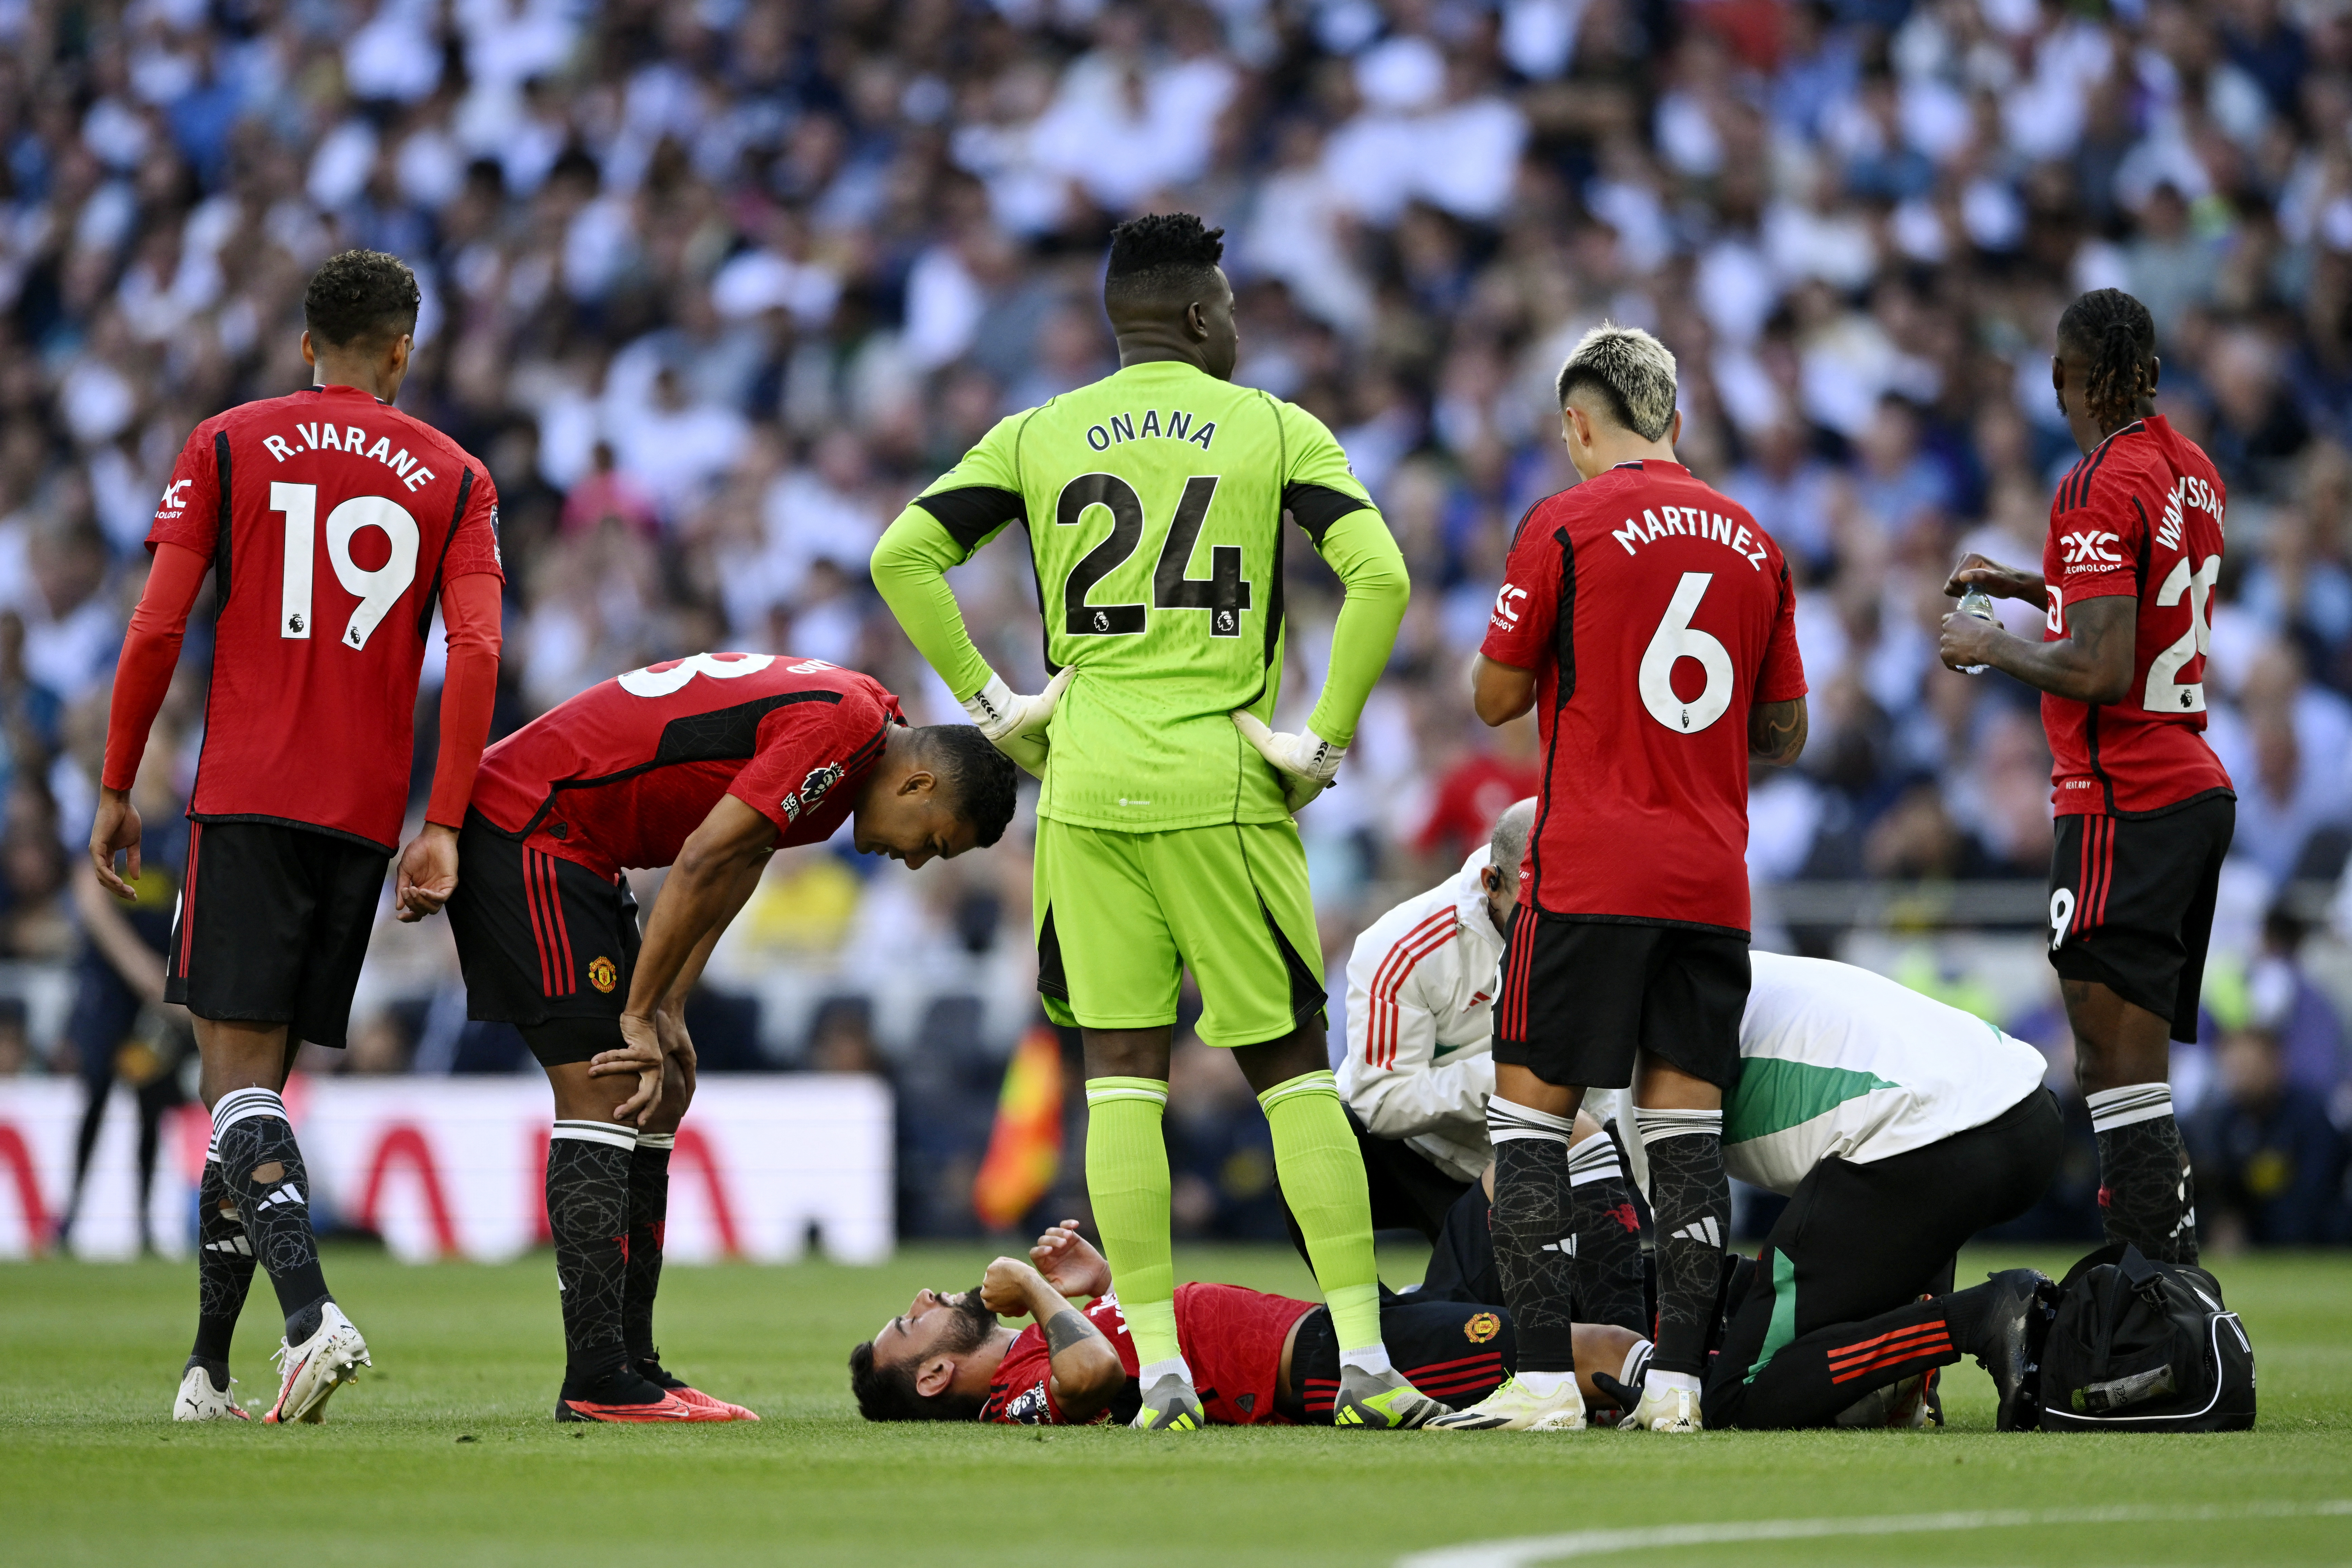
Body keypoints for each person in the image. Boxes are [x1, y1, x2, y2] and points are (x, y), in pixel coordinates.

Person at [871, 213, 1432, 1430]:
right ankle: (1369, 1363)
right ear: (1194, 317)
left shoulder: (1038, 432)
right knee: (1288, 1073)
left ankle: (1162, 1374)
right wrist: (1320, 745)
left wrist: (997, 707)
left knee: (1121, 1084)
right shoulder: (1273, 427)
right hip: (1222, 783)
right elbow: (1379, 575)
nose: (1236, 325)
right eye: (1227, 308)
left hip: (1082, 790)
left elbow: (903, 553)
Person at [93, 250, 503, 1426]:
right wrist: (443, 820)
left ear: (304, 341)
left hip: (247, 796)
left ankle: (311, 1313)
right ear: (402, 353)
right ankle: (208, 1372)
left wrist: (118, 782)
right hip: (365, 819)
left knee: (228, 1088)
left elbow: (157, 623)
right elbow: (472, 653)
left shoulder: (227, 442)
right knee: (258, 1093)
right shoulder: (457, 474)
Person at [444, 652, 1016, 1422]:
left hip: (579, 841)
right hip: (531, 823)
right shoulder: (846, 730)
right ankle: (597, 1378)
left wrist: (672, 1001)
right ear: (921, 785)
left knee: (659, 1094)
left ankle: (632, 1365)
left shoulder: (860, 733)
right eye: (934, 841)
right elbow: (704, 853)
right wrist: (638, 1014)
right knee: (609, 1087)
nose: (914, 859)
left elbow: (742, 857)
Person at [1439, 324, 1808, 1434]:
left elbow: (1495, 698)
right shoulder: (1753, 540)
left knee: (1527, 1122)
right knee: (1685, 1135)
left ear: (1577, 424)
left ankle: (1546, 1380)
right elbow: (1783, 728)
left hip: (1591, 867)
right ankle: (1682, 1388)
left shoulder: (1564, 520)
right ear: (1676, 424)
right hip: (1709, 879)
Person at [1939, 288, 2234, 1268]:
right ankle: (2159, 1266)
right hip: (2189, 778)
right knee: (2126, 1058)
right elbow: (2139, 604)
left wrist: (1992, 638)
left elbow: (2104, 669)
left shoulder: (2094, 483)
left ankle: (2154, 1275)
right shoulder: (2193, 472)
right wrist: (2030, 582)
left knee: (2113, 1055)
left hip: (2126, 790)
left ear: (2070, 376)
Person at [1606, 953, 2062, 1432]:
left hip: (1934, 1146)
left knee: (1738, 1393)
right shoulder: (1726, 967)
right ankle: (1910, 1389)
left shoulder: (1649, 1069)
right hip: (2030, 1114)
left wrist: (1666, 1376)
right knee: (1887, 1195)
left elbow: (1691, 1262)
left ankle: (1979, 1317)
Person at [848, 1219, 1644, 1428]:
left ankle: (1672, 1337)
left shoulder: (1035, 1343)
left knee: (1493, 1195)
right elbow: (1098, 1376)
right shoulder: (1013, 1392)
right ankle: (1692, 1382)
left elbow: (1139, 1347)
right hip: (1326, 1363)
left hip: (1348, 1321)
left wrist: (1103, 1286)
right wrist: (1030, 1282)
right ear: (932, 1375)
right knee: (1589, 1346)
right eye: (906, 1321)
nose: (922, 1296)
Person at [1335, 797, 1645, 1332]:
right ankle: (1367, 1327)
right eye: (1536, 905)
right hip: (1410, 1156)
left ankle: (1425, 1307)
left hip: (1540, 1151)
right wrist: (1513, 1077)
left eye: (1567, 903)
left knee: (1557, 1324)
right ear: (1490, 884)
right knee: (1309, 1144)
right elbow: (1379, 1101)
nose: (1552, 924)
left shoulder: (1603, 928)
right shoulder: (1401, 946)